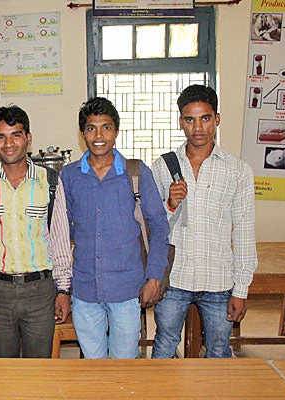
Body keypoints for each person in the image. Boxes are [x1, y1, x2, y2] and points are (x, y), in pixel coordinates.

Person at [151, 85, 257, 358]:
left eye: (205, 118)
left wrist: (241, 289)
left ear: (217, 119)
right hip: (174, 278)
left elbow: (244, 233)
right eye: (190, 119)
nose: (198, 127)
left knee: (219, 351)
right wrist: (171, 205)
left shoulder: (238, 170)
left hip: (219, 280)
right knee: (163, 346)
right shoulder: (163, 166)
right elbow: (151, 227)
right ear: (180, 122)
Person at [60, 97, 169, 359]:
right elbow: (64, 232)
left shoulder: (136, 173)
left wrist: (154, 277)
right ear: (82, 133)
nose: (99, 135)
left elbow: (159, 226)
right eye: (91, 128)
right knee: (93, 365)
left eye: (106, 127)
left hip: (126, 289)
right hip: (85, 290)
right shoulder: (70, 176)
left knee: (124, 366)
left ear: (116, 131)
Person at [0, 105, 72, 358]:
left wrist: (64, 290)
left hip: (39, 292)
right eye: (1, 136)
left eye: (16, 134)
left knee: (38, 370)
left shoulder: (50, 182)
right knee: (4, 370)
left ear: (28, 138)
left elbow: (59, 240)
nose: (8, 143)